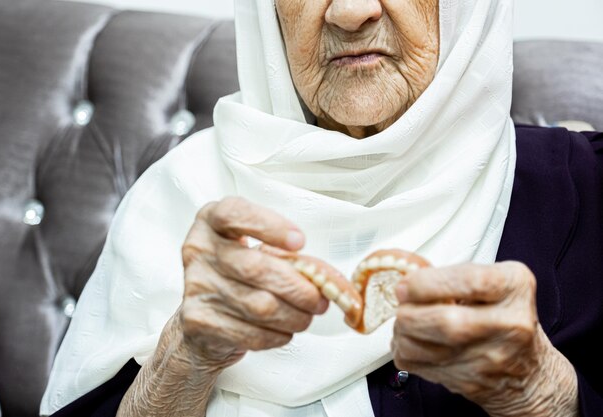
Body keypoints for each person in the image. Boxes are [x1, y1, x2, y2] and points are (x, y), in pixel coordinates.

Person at [40, 0, 603, 416]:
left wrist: (543, 394)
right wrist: (183, 358)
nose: (351, 12)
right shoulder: (180, 196)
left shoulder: (585, 189)